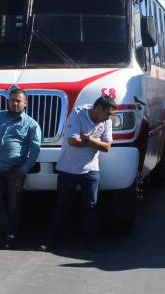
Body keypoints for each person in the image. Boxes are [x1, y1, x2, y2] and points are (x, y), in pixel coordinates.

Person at [43, 95, 116, 252]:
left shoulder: (106, 122)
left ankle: (92, 242)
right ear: (98, 109)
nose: (109, 118)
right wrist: (96, 142)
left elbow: (107, 147)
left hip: (91, 169)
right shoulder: (78, 114)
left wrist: (89, 138)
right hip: (68, 168)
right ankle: (53, 242)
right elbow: (72, 141)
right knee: (62, 205)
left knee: (91, 206)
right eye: (107, 114)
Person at [0, 88, 42, 249]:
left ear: (25, 103)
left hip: (15, 170)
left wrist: (24, 170)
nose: (15, 103)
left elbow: (35, 150)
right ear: (8, 102)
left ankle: (10, 236)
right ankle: (7, 230)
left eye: (18, 101)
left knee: (14, 204)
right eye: (12, 100)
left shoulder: (32, 124)